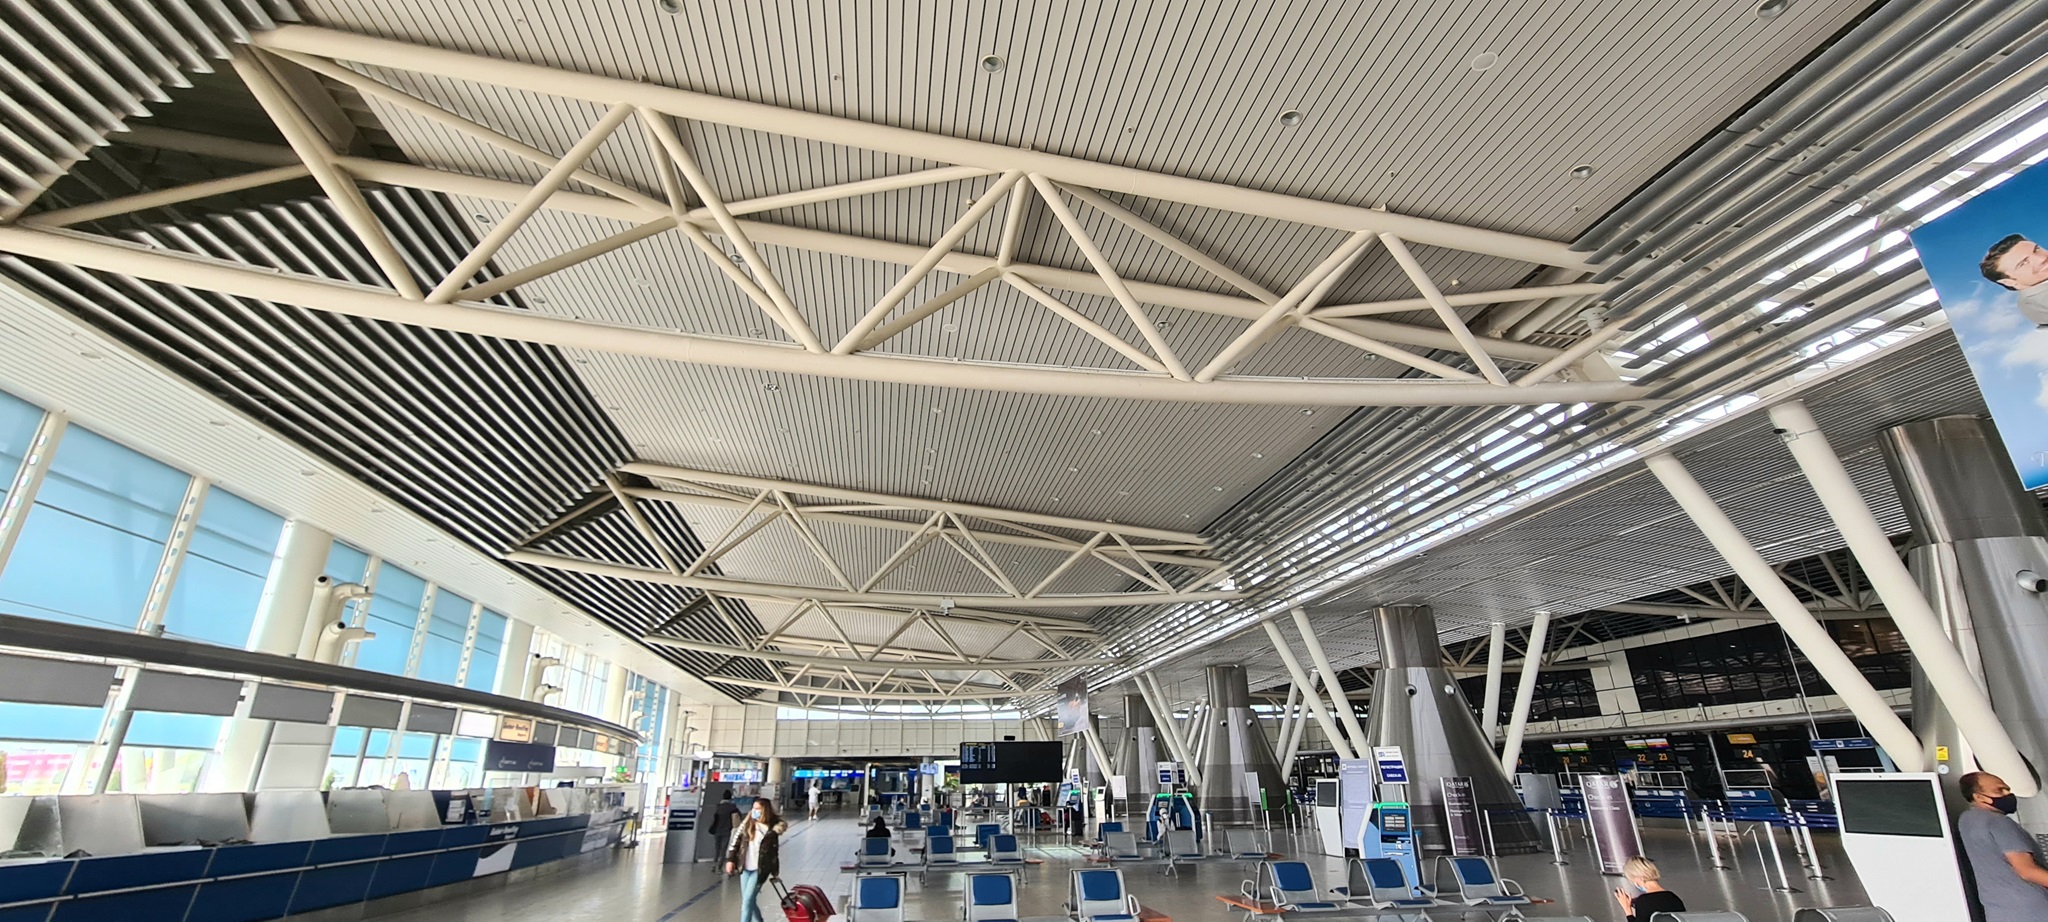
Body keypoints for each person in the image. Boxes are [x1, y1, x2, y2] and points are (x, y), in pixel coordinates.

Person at [1956, 771, 2048, 921]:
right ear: (1979, 797)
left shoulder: (1966, 820)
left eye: (2007, 789)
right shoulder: (1999, 822)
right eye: (1999, 790)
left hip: (1998, 909)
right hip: (2030, 908)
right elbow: (2027, 871)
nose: (2007, 794)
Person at [724, 799, 786, 922]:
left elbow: (773, 852)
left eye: (758, 809)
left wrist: (775, 871)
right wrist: (731, 859)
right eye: (753, 808)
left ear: (765, 811)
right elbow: (736, 841)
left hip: (760, 869)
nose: (754, 811)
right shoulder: (747, 823)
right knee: (749, 901)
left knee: (747, 901)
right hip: (745, 867)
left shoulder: (772, 830)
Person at [1980, 234, 2048, 325]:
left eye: (2036, 250)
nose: (2042, 259)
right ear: (2009, 282)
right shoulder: (2035, 303)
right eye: (2023, 263)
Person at [1612, 855, 1685, 919]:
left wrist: (1627, 909)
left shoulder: (1643, 901)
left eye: (1633, 880)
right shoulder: (1673, 898)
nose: (1634, 883)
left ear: (1639, 878)